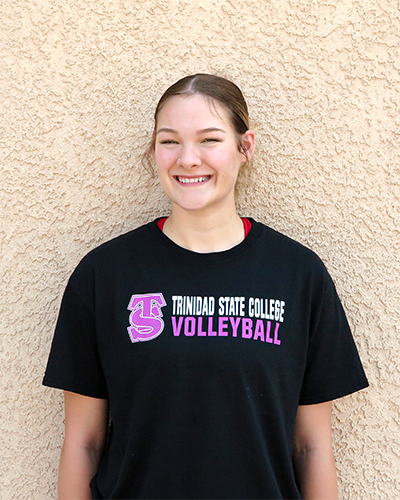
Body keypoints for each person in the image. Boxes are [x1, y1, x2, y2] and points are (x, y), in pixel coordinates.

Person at [43, 74, 368, 500]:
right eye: (169, 141)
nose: (188, 159)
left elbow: (313, 447)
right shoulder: (104, 275)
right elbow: (82, 443)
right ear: (154, 150)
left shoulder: (297, 275)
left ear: (245, 147)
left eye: (209, 139)